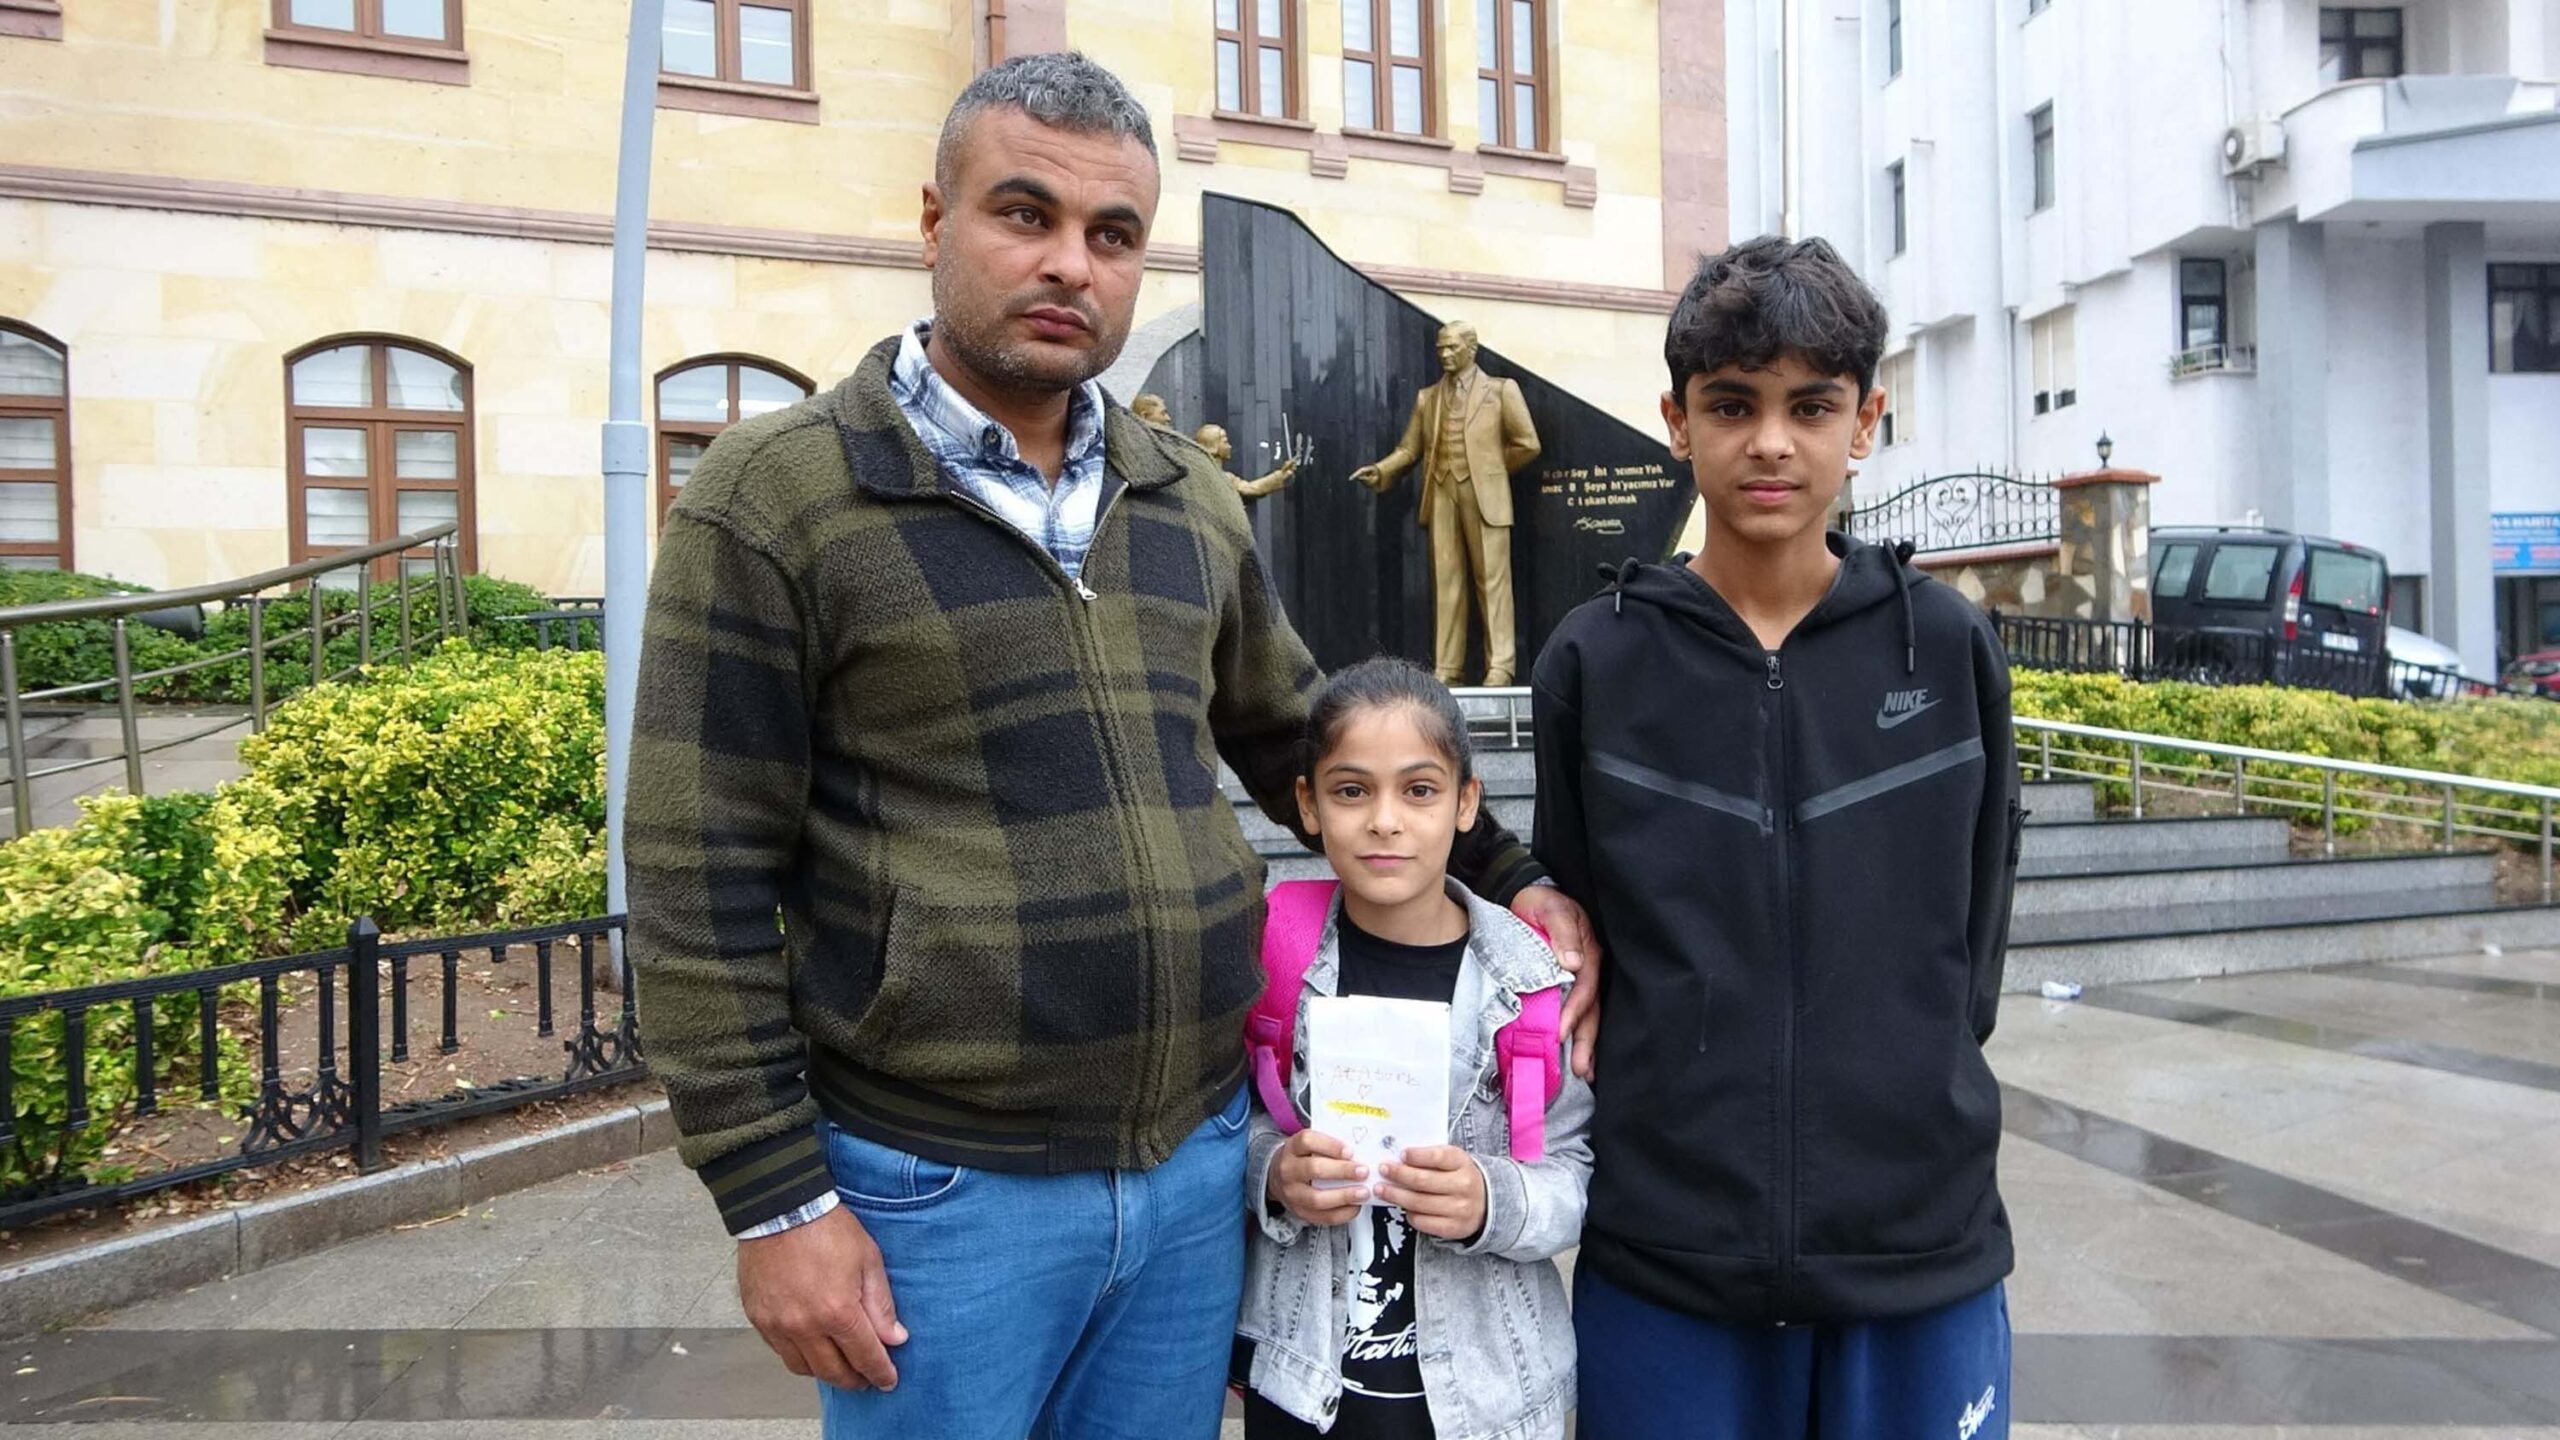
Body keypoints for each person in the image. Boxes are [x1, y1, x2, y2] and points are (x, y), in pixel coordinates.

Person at [627, 51, 1597, 1440]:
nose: (1069, 264)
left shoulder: (1183, 495)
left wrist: (1514, 879)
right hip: (941, 1194)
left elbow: (1300, 733)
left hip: (1196, 1176)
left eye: (1114, 233)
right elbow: (693, 877)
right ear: (935, 220)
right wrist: (774, 1202)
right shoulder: (778, 498)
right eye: (1025, 214)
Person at [1529, 236, 2023, 1440]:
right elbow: (1584, 919)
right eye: (1731, 405)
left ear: (1864, 423)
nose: (1769, 442)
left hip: (1917, 1247)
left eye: (1810, 406)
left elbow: (1975, 945)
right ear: (1676, 421)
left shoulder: (1946, 648)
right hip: (1668, 1257)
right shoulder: (1594, 660)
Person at [1236, 658, 1590, 1439]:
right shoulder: (1276, 959)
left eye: (1420, 790)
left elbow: (1575, 1173)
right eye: (1352, 791)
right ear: (1308, 803)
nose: (1385, 821)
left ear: (1467, 802)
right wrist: (1275, 1173)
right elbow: (1232, 1125)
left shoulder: (1530, 981)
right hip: (1305, 1388)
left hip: (1487, 1402)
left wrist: (1491, 1201)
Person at [1352, 322, 1541, 688]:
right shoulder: (1428, 398)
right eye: (1440, 348)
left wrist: (1491, 470)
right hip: (1441, 493)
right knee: (1447, 582)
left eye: (1452, 347)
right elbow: (1409, 448)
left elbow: (1528, 443)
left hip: (1485, 495)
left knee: (1492, 582)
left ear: (1472, 349)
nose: (1444, 354)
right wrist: (1383, 469)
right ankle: (1448, 667)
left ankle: (1500, 667)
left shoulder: (1501, 390)